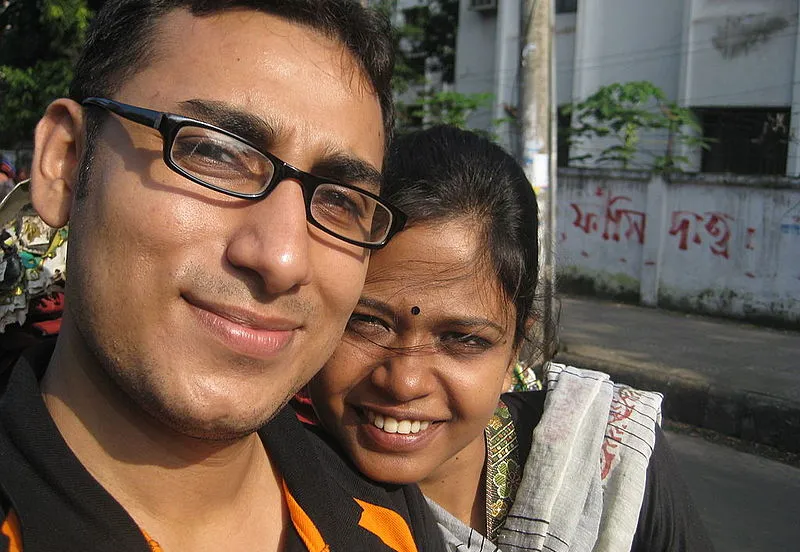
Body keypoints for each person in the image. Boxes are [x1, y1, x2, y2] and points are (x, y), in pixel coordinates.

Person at [0, 2, 447, 551]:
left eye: (341, 201)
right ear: (66, 164)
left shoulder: (391, 523)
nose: (283, 259)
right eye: (215, 153)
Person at [306, 126, 715, 551]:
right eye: (367, 322)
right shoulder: (275, 488)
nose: (404, 382)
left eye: (463, 339)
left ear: (514, 352)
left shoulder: (608, 457)